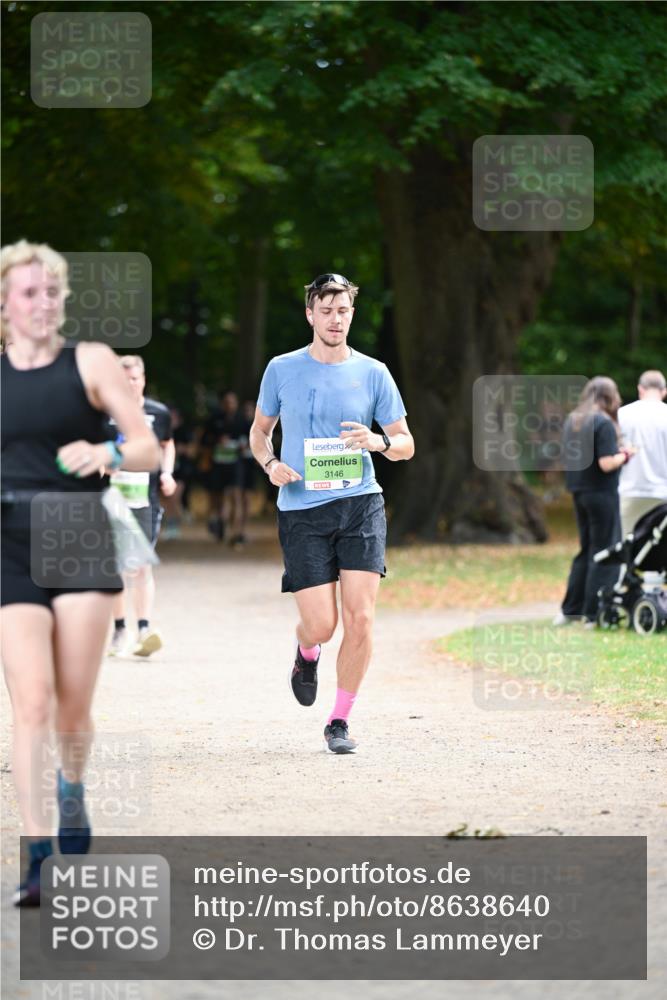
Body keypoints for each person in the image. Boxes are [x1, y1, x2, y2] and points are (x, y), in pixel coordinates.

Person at [0, 240, 159, 905]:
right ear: (6, 302)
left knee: (71, 709)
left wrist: (106, 449)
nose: (43, 304)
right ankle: (38, 853)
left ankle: (72, 786)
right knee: (29, 701)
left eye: (52, 293)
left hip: (77, 533)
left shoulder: (89, 361)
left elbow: (147, 448)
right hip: (7, 537)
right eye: (30, 293)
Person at [250, 272, 414, 753]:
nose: (335, 319)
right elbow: (259, 432)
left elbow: (405, 444)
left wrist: (378, 442)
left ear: (351, 314)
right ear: (310, 314)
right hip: (302, 508)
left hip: (361, 504)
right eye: (326, 311)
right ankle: (307, 651)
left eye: (342, 311)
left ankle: (339, 721)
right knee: (323, 625)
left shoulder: (374, 372)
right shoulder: (282, 369)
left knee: (360, 619)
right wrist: (271, 464)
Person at [106, 355, 176, 657]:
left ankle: (144, 629)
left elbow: (167, 444)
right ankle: (120, 629)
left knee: (141, 564)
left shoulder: (158, 413)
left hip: (145, 499)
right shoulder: (104, 412)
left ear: (143, 379)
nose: (130, 385)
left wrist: (167, 473)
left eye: (135, 379)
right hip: (112, 499)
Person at [554, 376, 636, 627]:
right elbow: (606, 462)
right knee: (603, 551)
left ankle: (570, 609)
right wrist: (625, 454)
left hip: (579, 491)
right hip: (602, 492)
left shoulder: (574, 420)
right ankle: (594, 612)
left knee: (586, 549)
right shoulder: (602, 423)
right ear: (610, 397)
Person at [618, 369, 667, 538]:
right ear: (664, 391)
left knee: (626, 547)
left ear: (640, 389)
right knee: (660, 551)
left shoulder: (622, 414)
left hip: (630, 490)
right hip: (663, 493)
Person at [203, 390, 244, 544]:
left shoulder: (241, 420)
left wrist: (240, 445)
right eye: (227, 402)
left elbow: (252, 440)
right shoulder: (214, 419)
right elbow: (204, 440)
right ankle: (220, 525)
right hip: (218, 464)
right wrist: (217, 441)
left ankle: (237, 533)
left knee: (236, 496)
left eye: (232, 402)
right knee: (218, 498)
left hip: (236, 464)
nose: (230, 405)